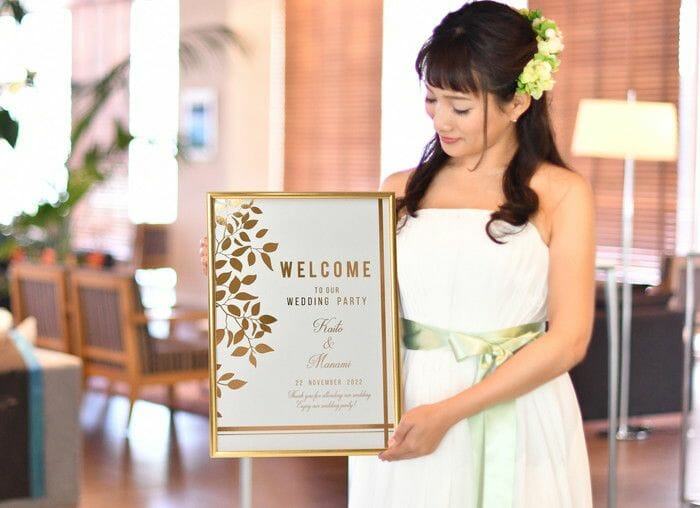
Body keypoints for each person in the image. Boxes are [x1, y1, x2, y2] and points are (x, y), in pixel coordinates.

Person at [200, 2, 594, 506]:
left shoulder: (562, 193)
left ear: (518, 101)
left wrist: (448, 413)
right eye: (432, 99)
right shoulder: (400, 189)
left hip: (514, 409)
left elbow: (568, 340)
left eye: (460, 107)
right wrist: (241, 268)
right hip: (405, 405)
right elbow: (337, 296)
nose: (441, 120)